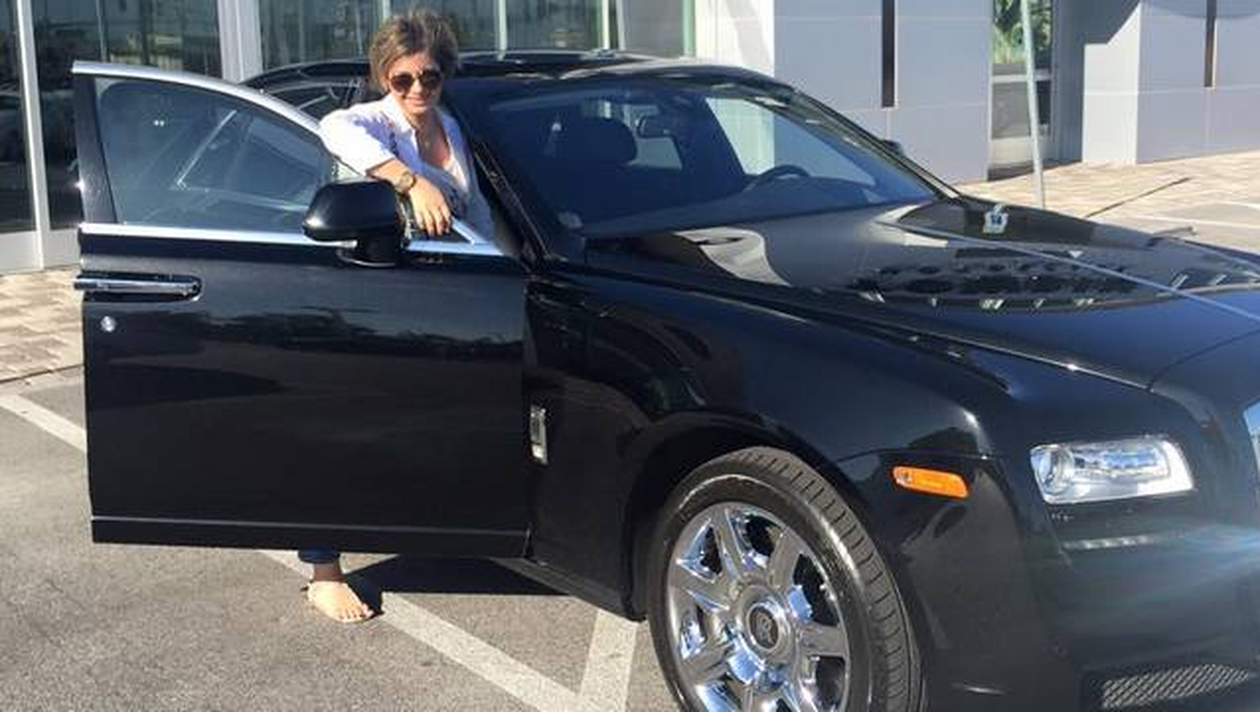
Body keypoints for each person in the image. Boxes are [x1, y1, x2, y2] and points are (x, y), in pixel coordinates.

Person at [300, 8, 492, 624]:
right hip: (374, 288)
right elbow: (332, 128)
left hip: (449, 289)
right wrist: (411, 182)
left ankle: (442, 525)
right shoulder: (373, 123)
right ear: (383, 77)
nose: (415, 89)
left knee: (434, 418)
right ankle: (323, 572)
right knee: (346, 424)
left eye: (428, 77)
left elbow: (478, 211)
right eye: (401, 78)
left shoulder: (453, 125)